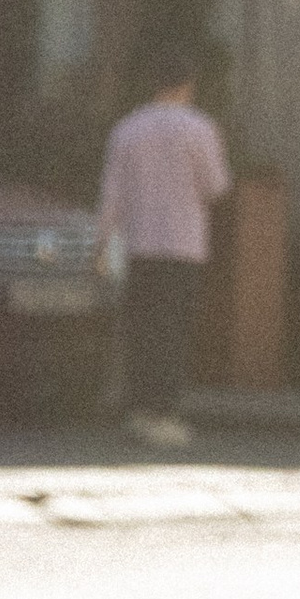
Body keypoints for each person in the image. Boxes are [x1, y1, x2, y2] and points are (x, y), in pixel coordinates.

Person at [96, 62, 232, 451]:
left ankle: (139, 409)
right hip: (184, 243)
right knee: (175, 328)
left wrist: (101, 243)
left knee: (143, 328)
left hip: (141, 243)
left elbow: (112, 192)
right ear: (189, 84)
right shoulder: (200, 129)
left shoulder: (127, 129)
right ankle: (165, 412)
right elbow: (217, 186)